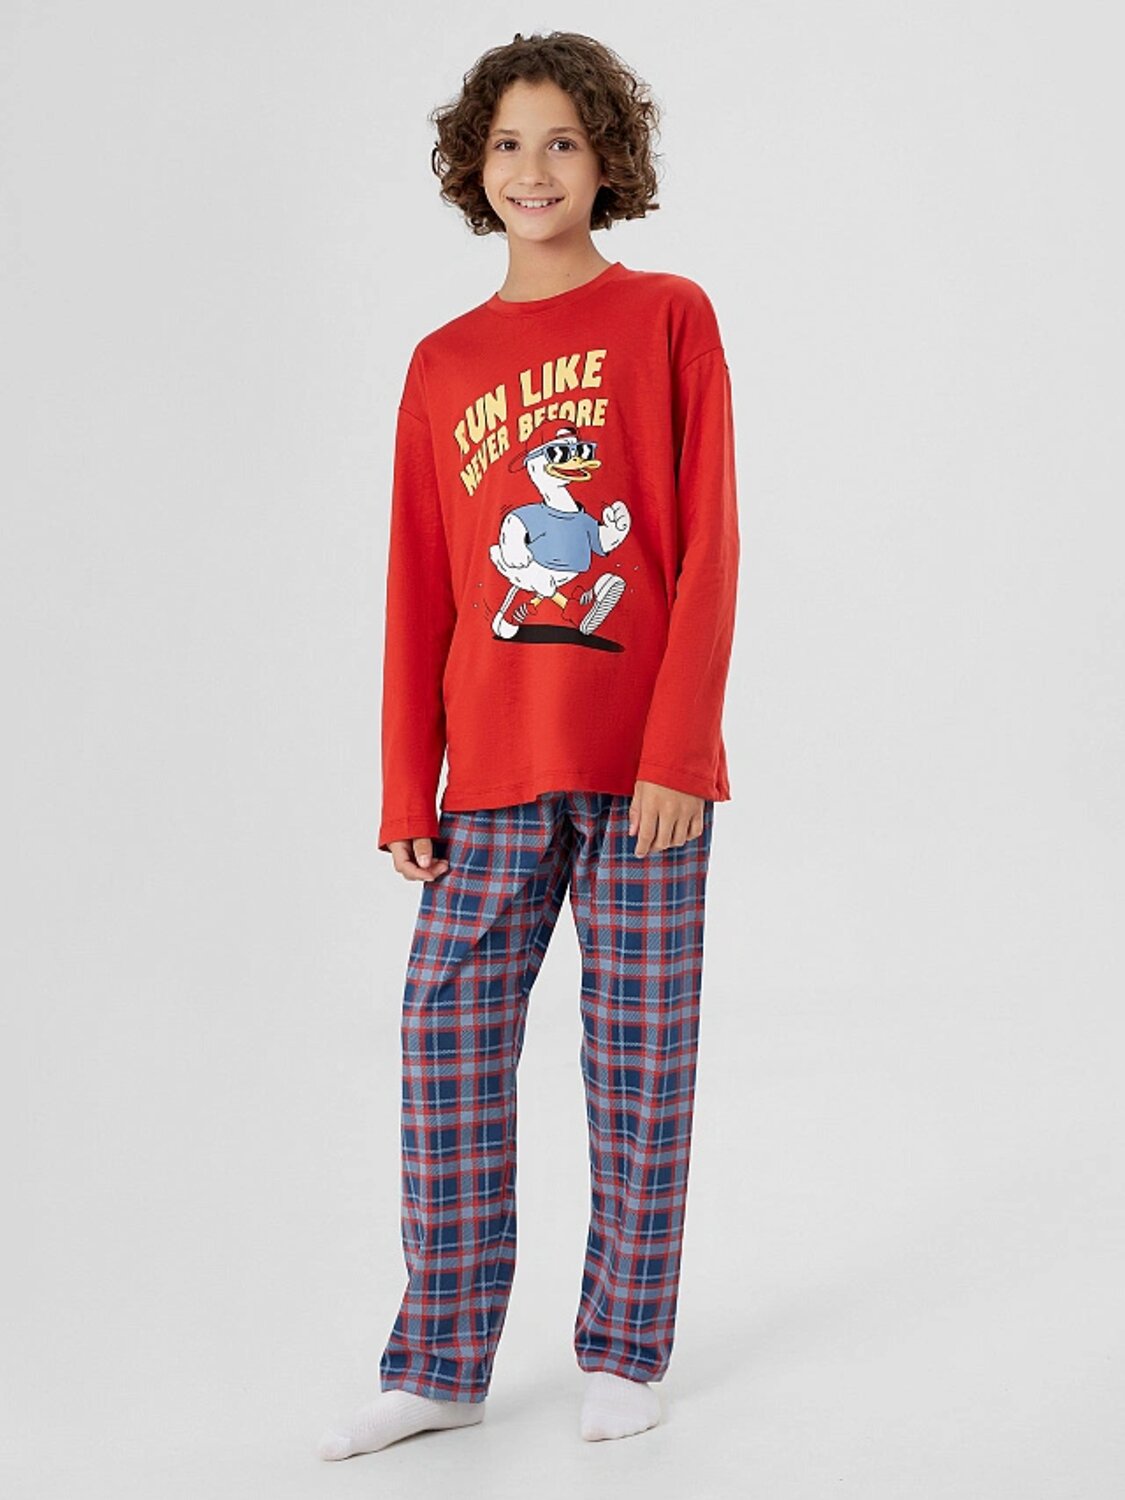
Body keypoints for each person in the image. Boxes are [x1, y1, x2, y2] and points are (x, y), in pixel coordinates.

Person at [318, 29, 740, 1460]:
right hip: (488, 772)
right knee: (444, 1039)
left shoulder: (668, 316)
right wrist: (406, 779)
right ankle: (441, 1361)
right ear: (473, 165)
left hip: (642, 773)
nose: (533, 168)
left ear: (607, 158)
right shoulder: (443, 363)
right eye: (507, 143)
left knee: (638, 1060)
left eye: (562, 140)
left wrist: (680, 749)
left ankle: (624, 1348)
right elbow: (417, 582)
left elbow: (710, 544)